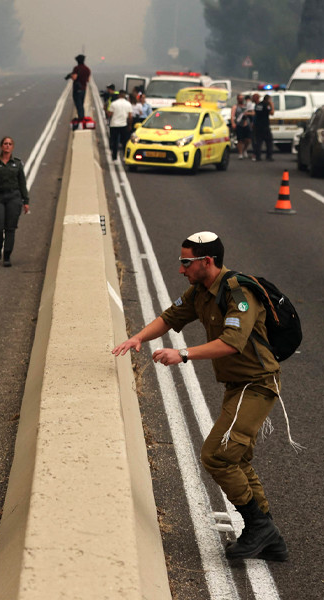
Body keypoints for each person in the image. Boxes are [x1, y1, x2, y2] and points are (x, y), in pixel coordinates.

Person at [112, 231, 292, 562]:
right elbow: (170, 317)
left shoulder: (238, 294)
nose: (181, 269)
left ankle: (259, 528)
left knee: (217, 455)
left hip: (256, 384)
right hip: (237, 385)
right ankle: (267, 535)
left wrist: (183, 354)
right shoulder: (201, 291)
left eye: (186, 262)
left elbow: (232, 342)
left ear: (206, 262)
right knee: (236, 458)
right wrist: (137, 338)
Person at [0, 137, 29, 267]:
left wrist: (26, 201)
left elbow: (22, 183)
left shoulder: (17, 164)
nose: (7, 146)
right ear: (1, 146)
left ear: (12, 147)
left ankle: (7, 255)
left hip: (14, 198)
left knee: (10, 227)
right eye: (5, 144)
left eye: (10, 144)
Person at [107, 91, 133, 162]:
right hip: (123, 125)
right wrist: (130, 125)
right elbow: (130, 116)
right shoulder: (128, 104)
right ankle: (125, 156)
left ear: (119, 95)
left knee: (115, 141)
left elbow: (110, 115)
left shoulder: (114, 104)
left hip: (114, 125)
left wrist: (107, 112)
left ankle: (114, 156)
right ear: (125, 96)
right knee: (125, 141)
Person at [247, 93, 274, 161]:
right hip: (265, 125)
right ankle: (269, 156)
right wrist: (272, 104)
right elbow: (272, 113)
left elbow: (256, 114)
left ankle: (258, 156)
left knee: (258, 141)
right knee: (269, 141)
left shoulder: (258, 105)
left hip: (257, 126)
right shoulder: (266, 105)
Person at [65, 54, 91, 121]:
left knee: (78, 104)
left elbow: (74, 77)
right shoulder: (87, 69)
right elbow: (88, 80)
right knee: (81, 104)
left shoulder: (76, 68)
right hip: (84, 88)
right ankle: (82, 117)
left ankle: (81, 118)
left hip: (77, 89)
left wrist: (70, 76)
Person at [230, 94, 253, 160]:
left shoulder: (247, 106)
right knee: (240, 140)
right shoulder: (235, 107)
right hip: (239, 124)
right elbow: (232, 115)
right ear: (237, 99)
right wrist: (233, 123)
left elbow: (253, 113)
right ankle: (240, 153)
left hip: (247, 124)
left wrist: (248, 114)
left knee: (248, 139)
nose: (241, 100)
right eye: (240, 98)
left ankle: (244, 149)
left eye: (242, 98)